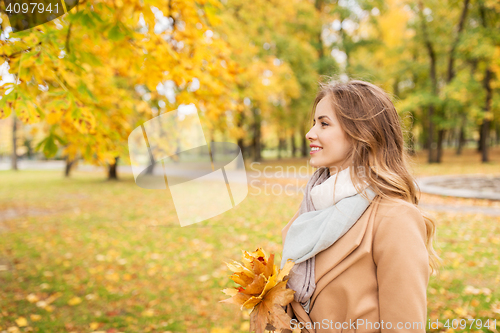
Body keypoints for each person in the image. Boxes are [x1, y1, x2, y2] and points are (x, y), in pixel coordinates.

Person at [280, 78, 441, 333]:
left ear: (362, 134)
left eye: (324, 123)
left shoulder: (395, 218)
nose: (310, 133)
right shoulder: (310, 210)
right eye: (314, 123)